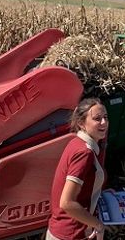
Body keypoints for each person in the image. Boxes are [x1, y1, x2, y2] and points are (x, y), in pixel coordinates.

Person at [47, 98, 109, 240]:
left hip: (62, 230)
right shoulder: (84, 153)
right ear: (81, 123)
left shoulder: (76, 143)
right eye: (97, 119)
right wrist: (98, 225)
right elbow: (67, 203)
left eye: (105, 117)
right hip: (71, 233)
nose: (104, 123)